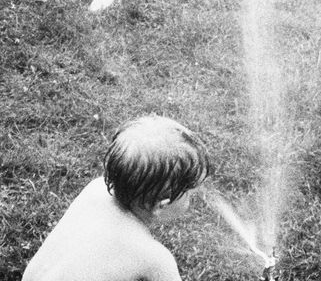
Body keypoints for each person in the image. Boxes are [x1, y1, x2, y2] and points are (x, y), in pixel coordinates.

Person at [22, 115, 211, 281]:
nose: (192, 199)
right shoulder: (154, 257)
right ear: (160, 205)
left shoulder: (94, 189)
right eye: (189, 194)